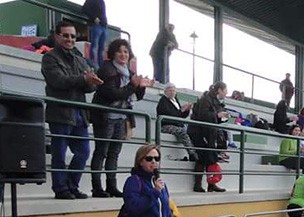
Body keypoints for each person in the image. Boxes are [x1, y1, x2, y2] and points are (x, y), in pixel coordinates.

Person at [41, 21, 103, 200]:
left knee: (83, 152)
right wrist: (84, 79)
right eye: (66, 35)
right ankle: (61, 188)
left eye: (73, 36)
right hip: (60, 113)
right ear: (57, 36)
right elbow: (58, 81)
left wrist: (91, 83)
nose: (70, 39)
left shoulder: (79, 59)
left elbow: (88, 85)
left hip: (80, 113)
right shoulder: (50, 57)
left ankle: (72, 186)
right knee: (59, 154)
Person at [90, 39, 151, 198]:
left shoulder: (129, 73)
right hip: (106, 117)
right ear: (113, 53)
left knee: (114, 153)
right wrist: (132, 85)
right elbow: (112, 94)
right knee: (101, 151)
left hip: (122, 117)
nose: (123, 54)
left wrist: (141, 86)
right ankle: (97, 187)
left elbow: (136, 96)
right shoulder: (107, 69)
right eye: (120, 51)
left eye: (126, 51)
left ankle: (112, 185)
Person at [188, 81, 228, 192]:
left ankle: (211, 184)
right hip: (199, 131)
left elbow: (215, 119)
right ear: (219, 90)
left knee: (211, 157)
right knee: (202, 157)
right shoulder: (205, 99)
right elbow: (203, 115)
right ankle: (198, 185)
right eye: (225, 90)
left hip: (208, 132)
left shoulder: (216, 101)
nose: (226, 93)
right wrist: (217, 115)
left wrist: (223, 117)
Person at [157, 83, 197, 162]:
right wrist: (181, 110)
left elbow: (180, 116)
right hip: (166, 125)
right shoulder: (163, 101)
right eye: (170, 91)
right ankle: (192, 153)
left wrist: (187, 110)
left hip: (176, 124)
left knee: (190, 131)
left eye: (174, 91)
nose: (172, 92)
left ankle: (194, 152)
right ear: (165, 92)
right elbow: (170, 115)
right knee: (182, 131)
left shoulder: (175, 100)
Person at [81, 0, 107, 69]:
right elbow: (84, 9)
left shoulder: (102, 1)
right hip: (96, 25)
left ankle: (100, 68)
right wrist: (94, 17)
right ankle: (94, 66)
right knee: (94, 47)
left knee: (101, 49)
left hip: (103, 26)